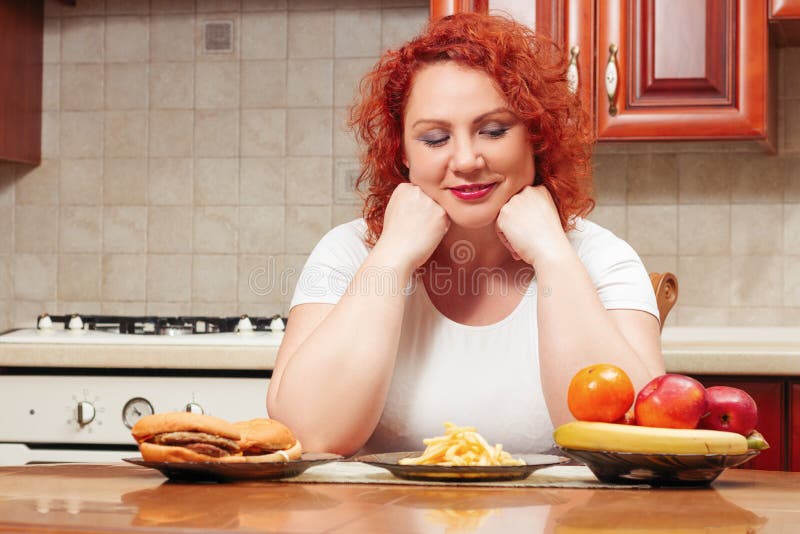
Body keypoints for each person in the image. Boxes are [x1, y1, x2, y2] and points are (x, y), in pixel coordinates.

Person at [267, 12, 665, 456]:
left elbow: (632, 444)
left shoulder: (602, 258)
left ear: (535, 135)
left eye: (493, 130)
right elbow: (309, 437)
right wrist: (393, 254)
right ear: (403, 154)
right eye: (435, 139)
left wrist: (553, 255)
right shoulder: (347, 253)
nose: (466, 159)